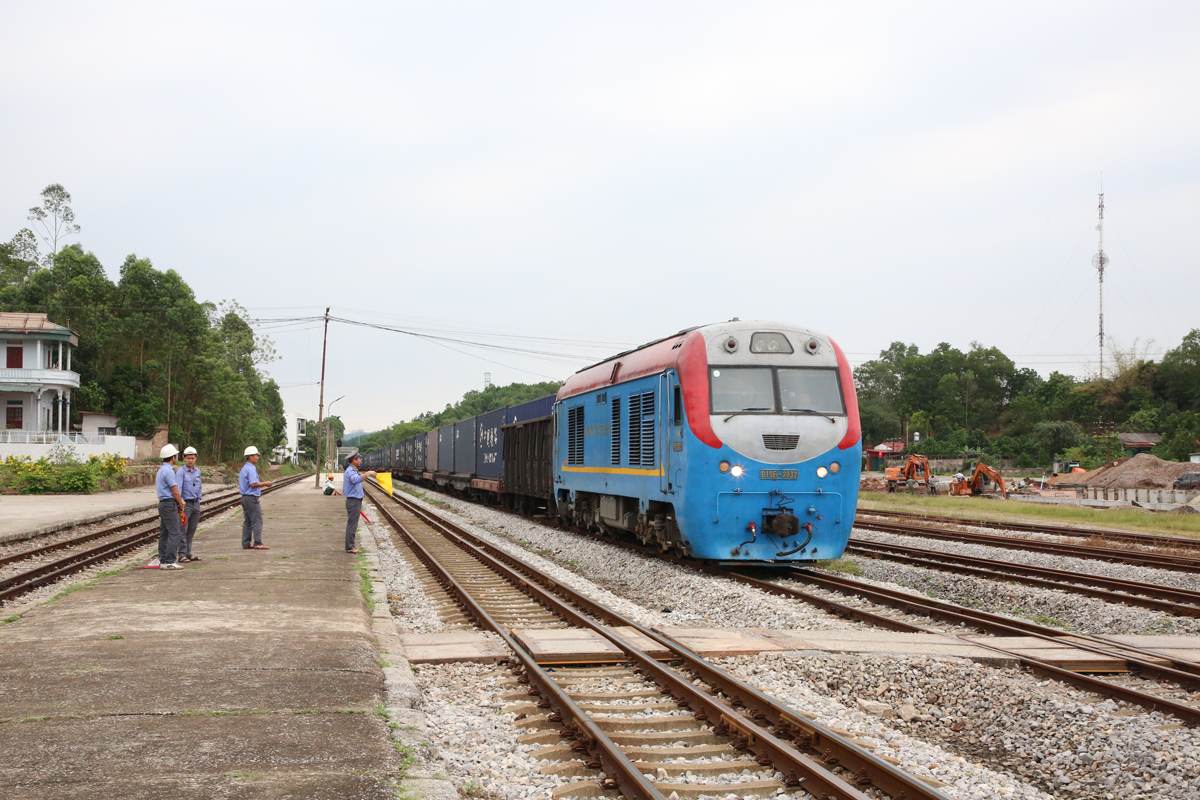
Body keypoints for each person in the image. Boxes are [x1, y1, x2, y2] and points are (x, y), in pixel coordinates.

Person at [149, 444, 186, 570]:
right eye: (175, 455)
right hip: (169, 504)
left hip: (163, 504)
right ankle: (169, 561)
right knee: (175, 532)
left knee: (165, 533)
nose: (176, 457)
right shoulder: (169, 471)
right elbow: (174, 490)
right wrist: (181, 502)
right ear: (172, 457)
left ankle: (163, 559)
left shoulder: (161, 470)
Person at [239, 445, 273, 550]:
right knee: (257, 520)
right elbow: (253, 484)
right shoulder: (250, 468)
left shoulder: (244, 468)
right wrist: (266, 483)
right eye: (255, 455)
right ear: (250, 456)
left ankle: (245, 543)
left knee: (248, 521)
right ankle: (258, 542)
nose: (257, 457)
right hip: (251, 498)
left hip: (244, 498)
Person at [342, 451, 376, 554]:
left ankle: (350, 546)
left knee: (353, 524)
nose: (361, 460)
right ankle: (350, 547)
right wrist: (368, 473)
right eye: (359, 459)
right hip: (353, 501)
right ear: (354, 460)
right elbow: (355, 480)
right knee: (352, 524)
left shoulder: (353, 470)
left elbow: (357, 479)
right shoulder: (350, 471)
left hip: (355, 500)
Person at [176, 446, 203, 562]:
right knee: (183, 529)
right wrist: (180, 504)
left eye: (192, 458)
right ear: (184, 458)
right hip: (185, 504)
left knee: (192, 529)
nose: (190, 460)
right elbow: (178, 489)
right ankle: (181, 554)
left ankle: (188, 553)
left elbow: (199, 486)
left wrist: (199, 497)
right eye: (188, 458)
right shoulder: (180, 472)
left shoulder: (197, 471)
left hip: (196, 503)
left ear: (196, 458)